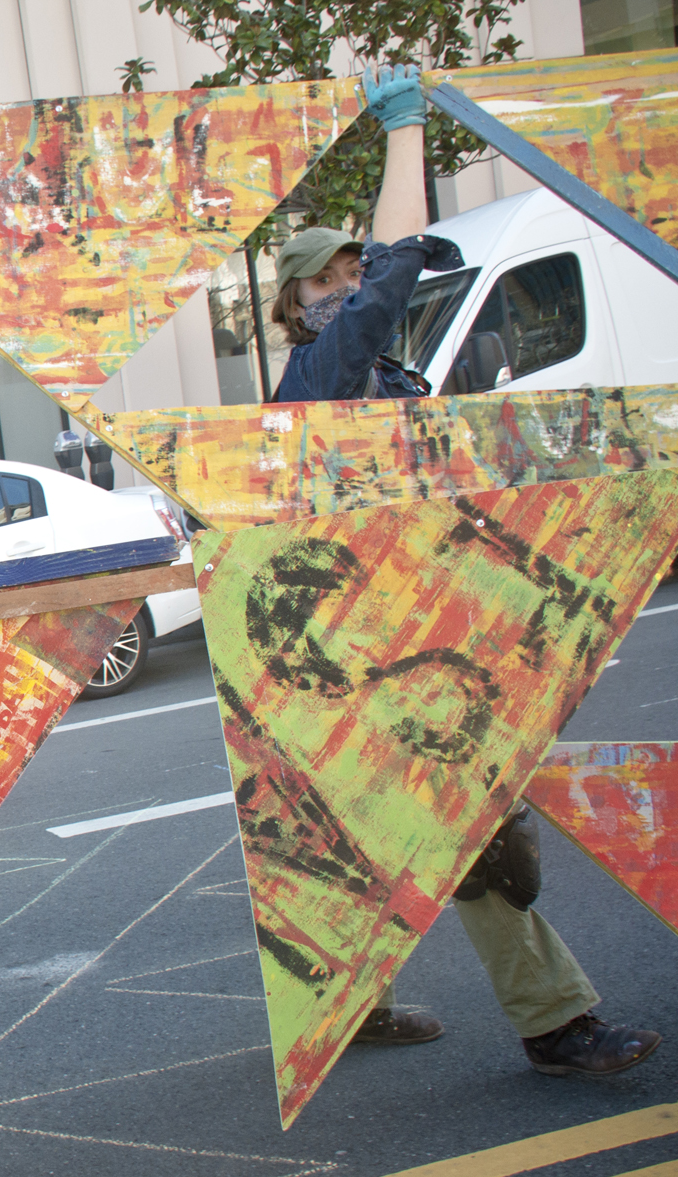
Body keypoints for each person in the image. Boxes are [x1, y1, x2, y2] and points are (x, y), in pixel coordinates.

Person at [271, 65, 660, 1078]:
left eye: (349, 273)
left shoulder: (378, 376)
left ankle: (350, 1004)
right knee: (482, 839)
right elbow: (398, 271)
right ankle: (556, 1021)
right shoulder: (317, 377)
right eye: (326, 281)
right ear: (291, 305)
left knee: (362, 843)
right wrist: (404, 134)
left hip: (385, 639)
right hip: (383, 653)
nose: (348, 289)